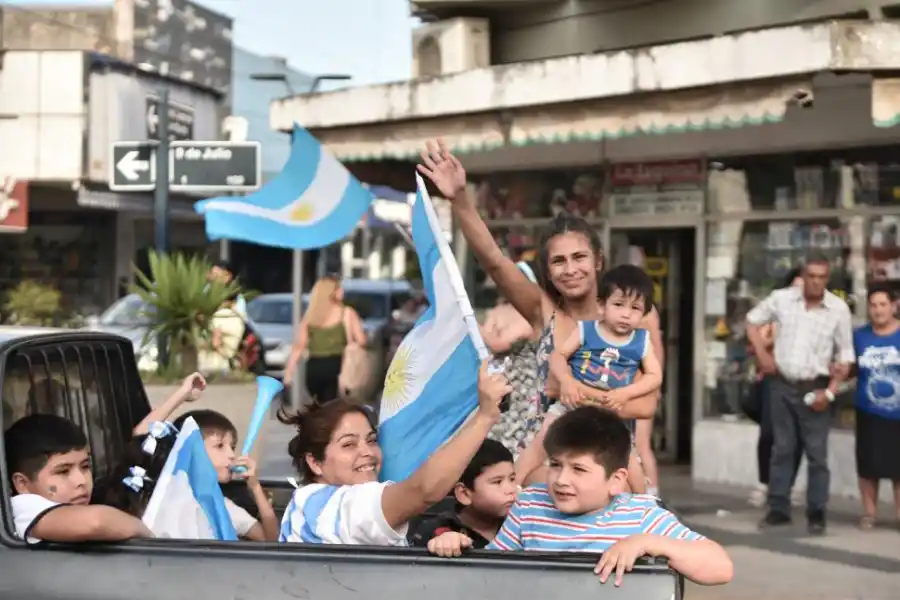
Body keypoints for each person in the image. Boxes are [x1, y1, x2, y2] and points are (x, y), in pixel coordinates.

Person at [417, 139, 663, 488]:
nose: (570, 269)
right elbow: (496, 262)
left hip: (610, 457)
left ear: (598, 261)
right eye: (558, 261)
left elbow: (647, 405)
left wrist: (572, 392)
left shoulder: (637, 317)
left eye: (579, 258)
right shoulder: (542, 311)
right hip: (542, 458)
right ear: (547, 271)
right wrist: (460, 200)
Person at [425, 407, 733, 588]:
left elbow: (720, 568)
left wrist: (645, 543)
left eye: (579, 469)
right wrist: (454, 544)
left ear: (616, 481)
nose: (561, 480)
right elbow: (491, 572)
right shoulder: (531, 506)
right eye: (555, 465)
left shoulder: (641, 516)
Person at [277, 360, 511, 545]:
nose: (367, 452)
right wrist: (485, 417)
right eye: (348, 445)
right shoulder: (317, 504)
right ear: (315, 462)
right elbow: (423, 490)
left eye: (371, 440)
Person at [515, 265, 662, 489]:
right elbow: (558, 356)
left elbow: (655, 376)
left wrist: (626, 393)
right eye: (618, 304)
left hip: (612, 413)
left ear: (644, 314)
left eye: (635, 308)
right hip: (571, 404)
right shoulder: (586, 331)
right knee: (542, 440)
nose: (626, 313)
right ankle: (512, 486)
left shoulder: (641, 341)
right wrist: (567, 382)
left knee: (628, 456)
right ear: (602, 306)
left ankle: (644, 504)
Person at [746, 252, 855, 534]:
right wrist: (762, 356)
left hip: (815, 388)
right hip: (781, 384)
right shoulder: (783, 299)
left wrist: (829, 393)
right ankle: (778, 508)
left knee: (817, 455)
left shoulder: (838, 309)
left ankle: (816, 512)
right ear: (803, 277)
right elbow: (751, 320)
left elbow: (845, 357)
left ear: (827, 279)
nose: (816, 283)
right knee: (782, 449)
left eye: (822, 278)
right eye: (812, 277)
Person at [132, 382, 279, 542]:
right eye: (219, 446)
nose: (231, 455)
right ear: (191, 450)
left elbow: (270, 542)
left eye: (233, 447)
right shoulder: (159, 496)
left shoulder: (222, 507)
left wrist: (256, 488)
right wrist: (182, 394)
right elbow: (140, 438)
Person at [5, 414, 152, 543]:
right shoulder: (20, 509)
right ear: (22, 484)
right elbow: (96, 522)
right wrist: (146, 532)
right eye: (63, 471)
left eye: (85, 466)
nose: (81, 480)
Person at [749, 268, 804, 508]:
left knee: (797, 437)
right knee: (769, 433)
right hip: (773, 380)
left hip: (803, 381)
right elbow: (756, 343)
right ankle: (764, 483)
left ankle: (787, 486)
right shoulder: (773, 313)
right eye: (796, 287)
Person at [410, 439, 516, 550]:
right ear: (464, 494)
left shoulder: (521, 524)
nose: (510, 489)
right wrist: (442, 544)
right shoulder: (436, 531)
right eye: (497, 482)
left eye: (512, 479)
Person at [852, 283, 900, 529]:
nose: (878, 310)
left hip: (898, 414)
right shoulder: (859, 336)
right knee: (868, 465)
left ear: (894, 305)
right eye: (873, 305)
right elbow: (849, 368)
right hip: (868, 411)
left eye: (883, 305)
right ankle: (869, 513)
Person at [482, 261, 542, 456]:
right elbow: (489, 342)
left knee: (521, 436)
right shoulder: (496, 311)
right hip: (499, 377)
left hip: (525, 385)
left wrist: (487, 332)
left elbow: (499, 343)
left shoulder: (533, 313)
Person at [283, 275, 367, 404]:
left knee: (321, 407)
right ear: (331, 292)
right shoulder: (347, 313)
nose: (342, 292)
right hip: (338, 367)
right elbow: (361, 341)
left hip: (313, 368)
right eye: (339, 289)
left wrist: (288, 374)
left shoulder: (310, 317)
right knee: (334, 409)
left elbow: (298, 347)